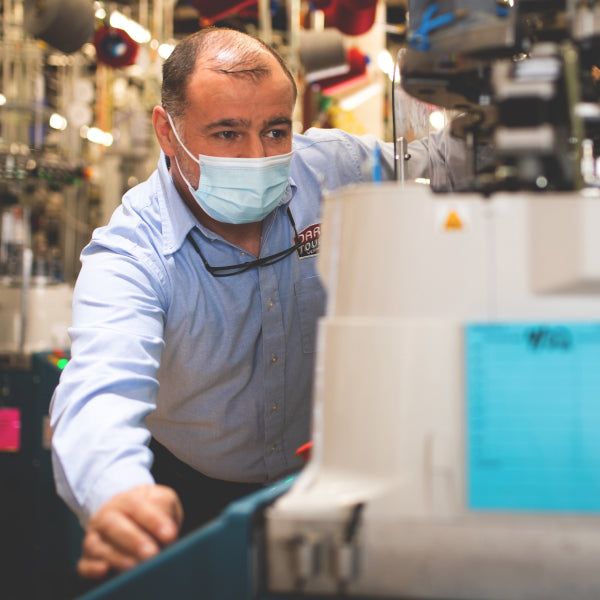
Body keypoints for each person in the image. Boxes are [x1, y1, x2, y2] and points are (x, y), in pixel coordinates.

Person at [50, 26, 460, 580]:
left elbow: (438, 166)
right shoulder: (132, 253)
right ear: (166, 133)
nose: (257, 156)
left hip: (328, 477)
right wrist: (117, 493)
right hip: (192, 493)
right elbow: (99, 389)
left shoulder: (333, 170)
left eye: (274, 130)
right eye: (225, 133)